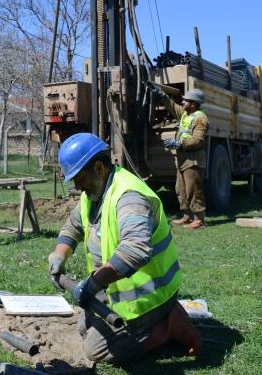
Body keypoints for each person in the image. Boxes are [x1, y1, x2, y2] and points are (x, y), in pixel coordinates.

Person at [47, 133, 201, 365]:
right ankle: (153, 323)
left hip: (150, 296)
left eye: (79, 178)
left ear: (98, 167)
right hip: (116, 291)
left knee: (95, 351)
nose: (77, 187)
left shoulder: (129, 197)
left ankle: (167, 326)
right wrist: (59, 254)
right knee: (83, 329)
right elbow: (72, 227)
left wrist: (92, 284)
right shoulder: (94, 192)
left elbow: (135, 251)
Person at [154, 87, 210, 229]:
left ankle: (199, 220)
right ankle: (187, 215)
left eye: (186, 100)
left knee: (193, 189)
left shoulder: (200, 118)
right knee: (181, 189)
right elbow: (173, 106)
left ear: (194, 103)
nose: (183, 102)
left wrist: (178, 143)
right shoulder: (186, 114)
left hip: (193, 159)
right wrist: (161, 95)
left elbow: (197, 140)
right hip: (183, 159)